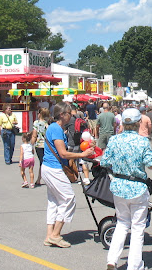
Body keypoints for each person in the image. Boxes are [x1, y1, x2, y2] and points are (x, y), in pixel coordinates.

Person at [101, 107, 152, 270]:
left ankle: (112, 260)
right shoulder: (142, 141)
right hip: (138, 186)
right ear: (139, 122)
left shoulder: (114, 140)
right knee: (138, 228)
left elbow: (104, 162)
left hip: (118, 186)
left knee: (122, 223)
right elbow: (151, 165)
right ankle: (134, 265)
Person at [42, 102, 93, 247]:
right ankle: (56, 234)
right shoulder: (56, 129)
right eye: (69, 113)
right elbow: (63, 153)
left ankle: (49, 235)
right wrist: (82, 154)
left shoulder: (55, 128)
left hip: (48, 167)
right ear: (62, 115)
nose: (71, 116)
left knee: (54, 201)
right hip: (54, 168)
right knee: (69, 198)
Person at [31, 107, 50, 186]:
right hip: (46, 145)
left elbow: (34, 135)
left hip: (39, 145)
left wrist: (31, 144)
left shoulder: (36, 123)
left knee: (42, 162)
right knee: (43, 162)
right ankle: (40, 178)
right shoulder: (47, 123)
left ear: (39, 114)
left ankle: (41, 179)